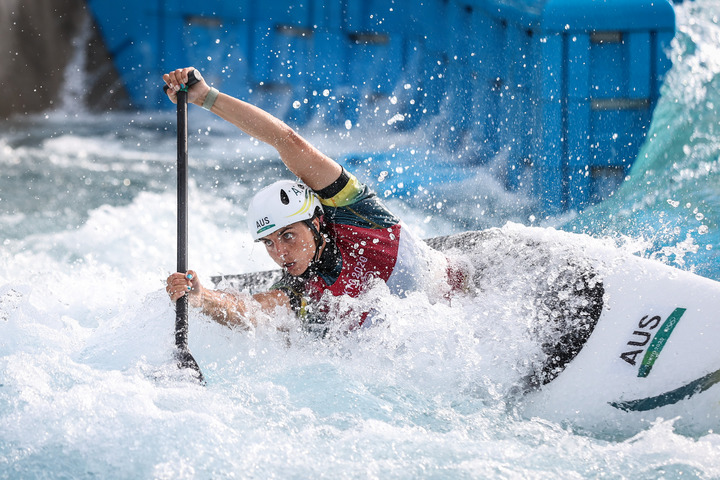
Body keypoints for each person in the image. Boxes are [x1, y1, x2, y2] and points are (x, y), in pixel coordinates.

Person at [164, 67, 465, 332]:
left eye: (288, 236)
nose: (280, 253)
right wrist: (203, 297)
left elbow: (286, 140)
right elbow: (255, 311)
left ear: (317, 222)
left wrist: (206, 97)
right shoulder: (300, 285)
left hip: (467, 302)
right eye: (268, 243)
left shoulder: (354, 210)